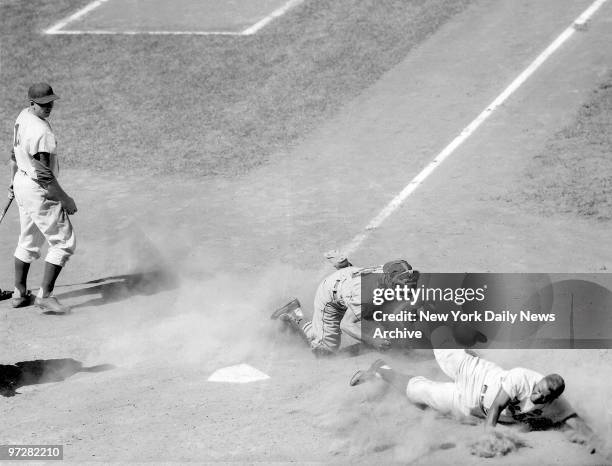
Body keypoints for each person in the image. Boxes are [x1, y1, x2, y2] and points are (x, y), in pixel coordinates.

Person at [349, 326, 602, 454]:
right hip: (476, 373)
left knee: (418, 392)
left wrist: (594, 440)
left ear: (552, 398)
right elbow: (495, 408)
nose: (537, 395)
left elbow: (573, 419)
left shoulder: (556, 404)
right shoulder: (521, 378)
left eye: (543, 396)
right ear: (538, 382)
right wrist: (488, 438)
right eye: (538, 389)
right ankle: (444, 322)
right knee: (442, 345)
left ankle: (380, 369)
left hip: (465, 403)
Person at [8, 83, 77, 314]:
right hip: (37, 189)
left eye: (51, 102)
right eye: (43, 104)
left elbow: (13, 153)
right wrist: (65, 199)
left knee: (28, 239)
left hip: (22, 183)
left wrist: (13, 182)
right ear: (32, 103)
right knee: (63, 242)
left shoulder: (22, 116)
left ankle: (19, 293)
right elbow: (45, 175)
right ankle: (44, 297)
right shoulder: (41, 131)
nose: (48, 107)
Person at [271, 258, 418, 356]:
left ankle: (344, 268)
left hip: (350, 281)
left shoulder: (391, 273)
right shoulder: (367, 296)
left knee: (398, 329)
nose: (407, 292)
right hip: (331, 298)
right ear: (390, 282)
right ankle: (294, 313)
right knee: (325, 352)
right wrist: (372, 340)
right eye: (402, 288)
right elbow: (346, 325)